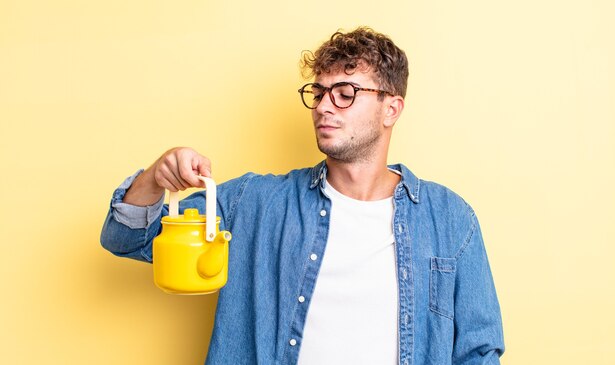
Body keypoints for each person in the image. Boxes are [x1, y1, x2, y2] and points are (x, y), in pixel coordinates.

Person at [101, 27, 505, 365]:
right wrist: (156, 177)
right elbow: (127, 238)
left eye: (345, 92)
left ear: (391, 108)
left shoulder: (450, 219)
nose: (324, 106)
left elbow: (479, 350)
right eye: (319, 92)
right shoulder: (254, 203)